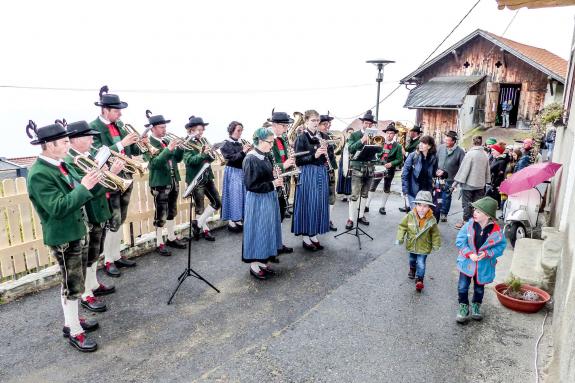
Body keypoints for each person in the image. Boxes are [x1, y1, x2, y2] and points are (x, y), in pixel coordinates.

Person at [26, 120, 100, 352]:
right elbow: (57, 207)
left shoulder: (60, 165)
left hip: (76, 230)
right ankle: (74, 332)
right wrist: (84, 186)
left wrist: (98, 180)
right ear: (49, 144)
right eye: (65, 141)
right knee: (72, 285)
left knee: (74, 282)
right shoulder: (39, 174)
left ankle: (72, 322)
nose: (69, 144)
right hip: (63, 236)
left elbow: (83, 193)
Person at [64, 120, 123, 314]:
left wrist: (108, 173)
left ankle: (93, 283)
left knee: (95, 252)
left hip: (100, 210)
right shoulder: (70, 160)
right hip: (88, 212)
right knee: (88, 255)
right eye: (88, 136)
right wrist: (109, 175)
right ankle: (86, 292)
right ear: (76, 139)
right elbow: (88, 188)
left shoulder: (88, 155)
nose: (92, 139)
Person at [90, 86, 139, 277]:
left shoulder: (119, 125)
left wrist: (136, 143)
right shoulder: (93, 127)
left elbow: (131, 152)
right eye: (116, 110)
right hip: (110, 179)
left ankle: (116, 255)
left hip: (125, 177)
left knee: (121, 219)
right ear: (105, 110)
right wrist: (121, 143)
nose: (120, 114)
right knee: (113, 220)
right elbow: (97, 153)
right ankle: (108, 260)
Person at [455, 197, 506, 323]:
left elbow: (501, 246)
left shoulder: (496, 231)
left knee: (479, 288)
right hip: (467, 263)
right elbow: (460, 241)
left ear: (487, 215)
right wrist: (469, 253)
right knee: (462, 287)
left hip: (483, 266)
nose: (474, 213)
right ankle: (463, 306)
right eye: (475, 210)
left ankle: (476, 305)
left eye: (478, 211)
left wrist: (488, 253)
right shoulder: (469, 225)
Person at [242, 128, 284, 279]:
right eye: (269, 142)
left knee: (266, 229)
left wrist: (273, 175)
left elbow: (263, 176)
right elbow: (251, 185)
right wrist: (273, 184)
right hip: (257, 201)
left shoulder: (264, 156)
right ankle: (254, 265)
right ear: (259, 141)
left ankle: (261, 261)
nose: (271, 145)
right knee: (256, 230)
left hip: (267, 198)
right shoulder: (250, 158)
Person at [144, 110, 187, 256]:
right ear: (153, 129)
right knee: (160, 214)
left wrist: (180, 148)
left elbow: (178, 159)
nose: (165, 129)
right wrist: (168, 149)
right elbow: (154, 164)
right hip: (160, 182)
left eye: (164, 127)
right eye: (161, 127)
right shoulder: (148, 143)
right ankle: (158, 242)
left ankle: (171, 237)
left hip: (173, 180)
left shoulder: (166, 141)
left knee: (171, 211)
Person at [292, 110, 330, 251]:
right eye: (313, 120)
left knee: (319, 203)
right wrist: (315, 155)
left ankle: (313, 235)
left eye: (317, 120)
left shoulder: (323, 136)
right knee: (308, 203)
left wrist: (327, 154)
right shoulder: (301, 138)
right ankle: (306, 238)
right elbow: (298, 160)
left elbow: (330, 156)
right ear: (306, 122)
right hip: (308, 172)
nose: (316, 123)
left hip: (321, 172)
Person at [183, 116, 221, 241]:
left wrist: (211, 153)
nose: (201, 132)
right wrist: (203, 154)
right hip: (196, 178)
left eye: (202, 130)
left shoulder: (203, 140)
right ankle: (205, 230)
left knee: (217, 202)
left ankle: (197, 224)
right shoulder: (186, 143)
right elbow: (190, 161)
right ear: (191, 130)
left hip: (207, 176)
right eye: (199, 130)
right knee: (199, 207)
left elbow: (209, 159)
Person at [396, 191, 441, 292]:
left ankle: (420, 280)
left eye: (425, 206)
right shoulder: (409, 216)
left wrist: (436, 244)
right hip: (412, 244)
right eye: (419, 205)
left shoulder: (432, 219)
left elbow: (435, 233)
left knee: (421, 263)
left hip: (424, 246)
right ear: (415, 205)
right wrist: (400, 238)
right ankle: (412, 269)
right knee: (412, 259)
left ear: (429, 207)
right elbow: (402, 227)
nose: (422, 208)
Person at [345, 110, 380, 229]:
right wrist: (362, 140)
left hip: (370, 168)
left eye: (370, 124)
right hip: (357, 168)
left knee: (365, 194)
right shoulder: (354, 135)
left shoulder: (376, 136)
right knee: (354, 195)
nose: (368, 126)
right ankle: (350, 219)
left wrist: (378, 146)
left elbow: (379, 151)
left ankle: (360, 216)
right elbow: (350, 149)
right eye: (366, 123)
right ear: (362, 123)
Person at [453, 136, 490, 229]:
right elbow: (487, 169)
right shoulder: (485, 154)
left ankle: (466, 222)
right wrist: (487, 181)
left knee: (467, 203)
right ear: (481, 143)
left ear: (473, 143)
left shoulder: (470, 154)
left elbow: (464, 170)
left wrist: (455, 183)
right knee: (477, 205)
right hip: (480, 184)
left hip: (469, 184)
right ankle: (476, 222)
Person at [365, 123, 403, 215]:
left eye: (391, 133)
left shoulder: (398, 146)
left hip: (390, 169)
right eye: (388, 133)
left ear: (394, 134)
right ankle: (366, 206)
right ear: (386, 133)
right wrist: (379, 154)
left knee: (387, 187)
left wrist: (391, 163)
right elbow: (376, 155)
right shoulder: (380, 142)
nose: (389, 135)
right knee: (373, 186)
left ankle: (382, 207)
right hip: (379, 167)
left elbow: (399, 159)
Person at [220, 121, 250, 232]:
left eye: (241, 130)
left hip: (240, 172)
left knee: (241, 196)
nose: (240, 133)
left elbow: (242, 158)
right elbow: (231, 158)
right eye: (238, 130)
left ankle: (237, 219)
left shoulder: (239, 143)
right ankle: (232, 221)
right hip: (232, 172)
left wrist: (248, 152)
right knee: (233, 196)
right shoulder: (225, 143)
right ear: (232, 130)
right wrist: (244, 152)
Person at [268, 111, 296, 221]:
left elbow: (283, 154)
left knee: (281, 210)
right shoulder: (267, 139)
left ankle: (277, 236)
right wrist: (284, 164)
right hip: (274, 179)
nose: (286, 129)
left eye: (287, 126)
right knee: (274, 213)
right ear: (274, 125)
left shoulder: (283, 137)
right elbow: (266, 162)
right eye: (284, 126)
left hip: (284, 176)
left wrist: (291, 156)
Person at [401, 135, 438, 209]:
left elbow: (434, 174)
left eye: (424, 143)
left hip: (427, 192)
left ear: (429, 146)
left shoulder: (433, 158)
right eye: (420, 142)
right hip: (413, 190)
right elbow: (405, 174)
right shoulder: (413, 156)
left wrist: (441, 173)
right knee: (415, 213)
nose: (420, 145)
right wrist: (405, 189)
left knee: (424, 214)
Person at [435, 130, 465, 222]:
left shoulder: (460, 152)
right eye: (445, 139)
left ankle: (444, 213)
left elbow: (462, 167)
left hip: (450, 178)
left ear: (453, 141)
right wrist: (436, 170)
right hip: (438, 177)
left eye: (448, 140)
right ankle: (436, 211)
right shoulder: (440, 148)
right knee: (437, 195)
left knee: (446, 196)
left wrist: (457, 181)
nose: (446, 141)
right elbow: (435, 160)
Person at [318, 112, 338, 231]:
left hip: (330, 169)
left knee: (331, 196)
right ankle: (320, 219)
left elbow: (336, 151)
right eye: (324, 124)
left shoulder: (329, 136)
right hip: (319, 170)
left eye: (328, 124)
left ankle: (328, 219)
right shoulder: (315, 138)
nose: (327, 126)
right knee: (320, 196)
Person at [336, 126, 354, 200]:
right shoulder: (344, 141)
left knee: (349, 178)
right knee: (342, 177)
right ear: (346, 133)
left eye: (352, 133)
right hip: (343, 161)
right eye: (350, 133)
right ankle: (343, 195)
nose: (351, 134)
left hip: (350, 161)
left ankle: (348, 194)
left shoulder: (353, 141)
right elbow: (338, 151)